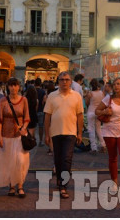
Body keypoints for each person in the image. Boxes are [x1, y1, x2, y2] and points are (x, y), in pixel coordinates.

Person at [44, 71, 84, 199]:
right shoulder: (52, 96)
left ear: (71, 81)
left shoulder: (77, 96)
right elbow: (47, 116)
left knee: (67, 158)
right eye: (62, 80)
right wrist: (46, 134)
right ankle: (59, 181)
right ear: (58, 81)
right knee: (58, 159)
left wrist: (80, 133)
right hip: (55, 132)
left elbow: (80, 115)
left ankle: (63, 186)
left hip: (70, 132)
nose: (64, 82)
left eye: (67, 79)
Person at [95, 78, 120, 193]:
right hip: (109, 130)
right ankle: (114, 183)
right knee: (113, 157)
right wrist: (104, 112)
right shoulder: (108, 98)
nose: (116, 86)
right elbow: (96, 111)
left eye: (118, 84)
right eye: (114, 84)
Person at [0, 78, 30, 197]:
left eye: (15, 85)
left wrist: (24, 127)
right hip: (6, 135)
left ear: (19, 87)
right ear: (7, 87)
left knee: (20, 161)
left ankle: (20, 185)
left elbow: (27, 117)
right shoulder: (3, 101)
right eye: (11, 86)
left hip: (20, 136)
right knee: (9, 161)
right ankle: (11, 186)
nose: (13, 88)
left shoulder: (24, 100)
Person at [85, 78, 106, 153]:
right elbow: (103, 102)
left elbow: (87, 103)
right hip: (99, 112)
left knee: (91, 129)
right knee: (98, 129)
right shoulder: (101, 93)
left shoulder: (90, 93)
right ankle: (103, 145)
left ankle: (93, 147)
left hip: (91, 111)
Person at [34, 77, 46, 146]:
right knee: (41, 127)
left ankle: (33, 140)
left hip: (33, 111)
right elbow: (43, 101)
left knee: (33, 127)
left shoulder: (32, 90)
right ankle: (41, 141)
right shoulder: (43, 91)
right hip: (41, 110)